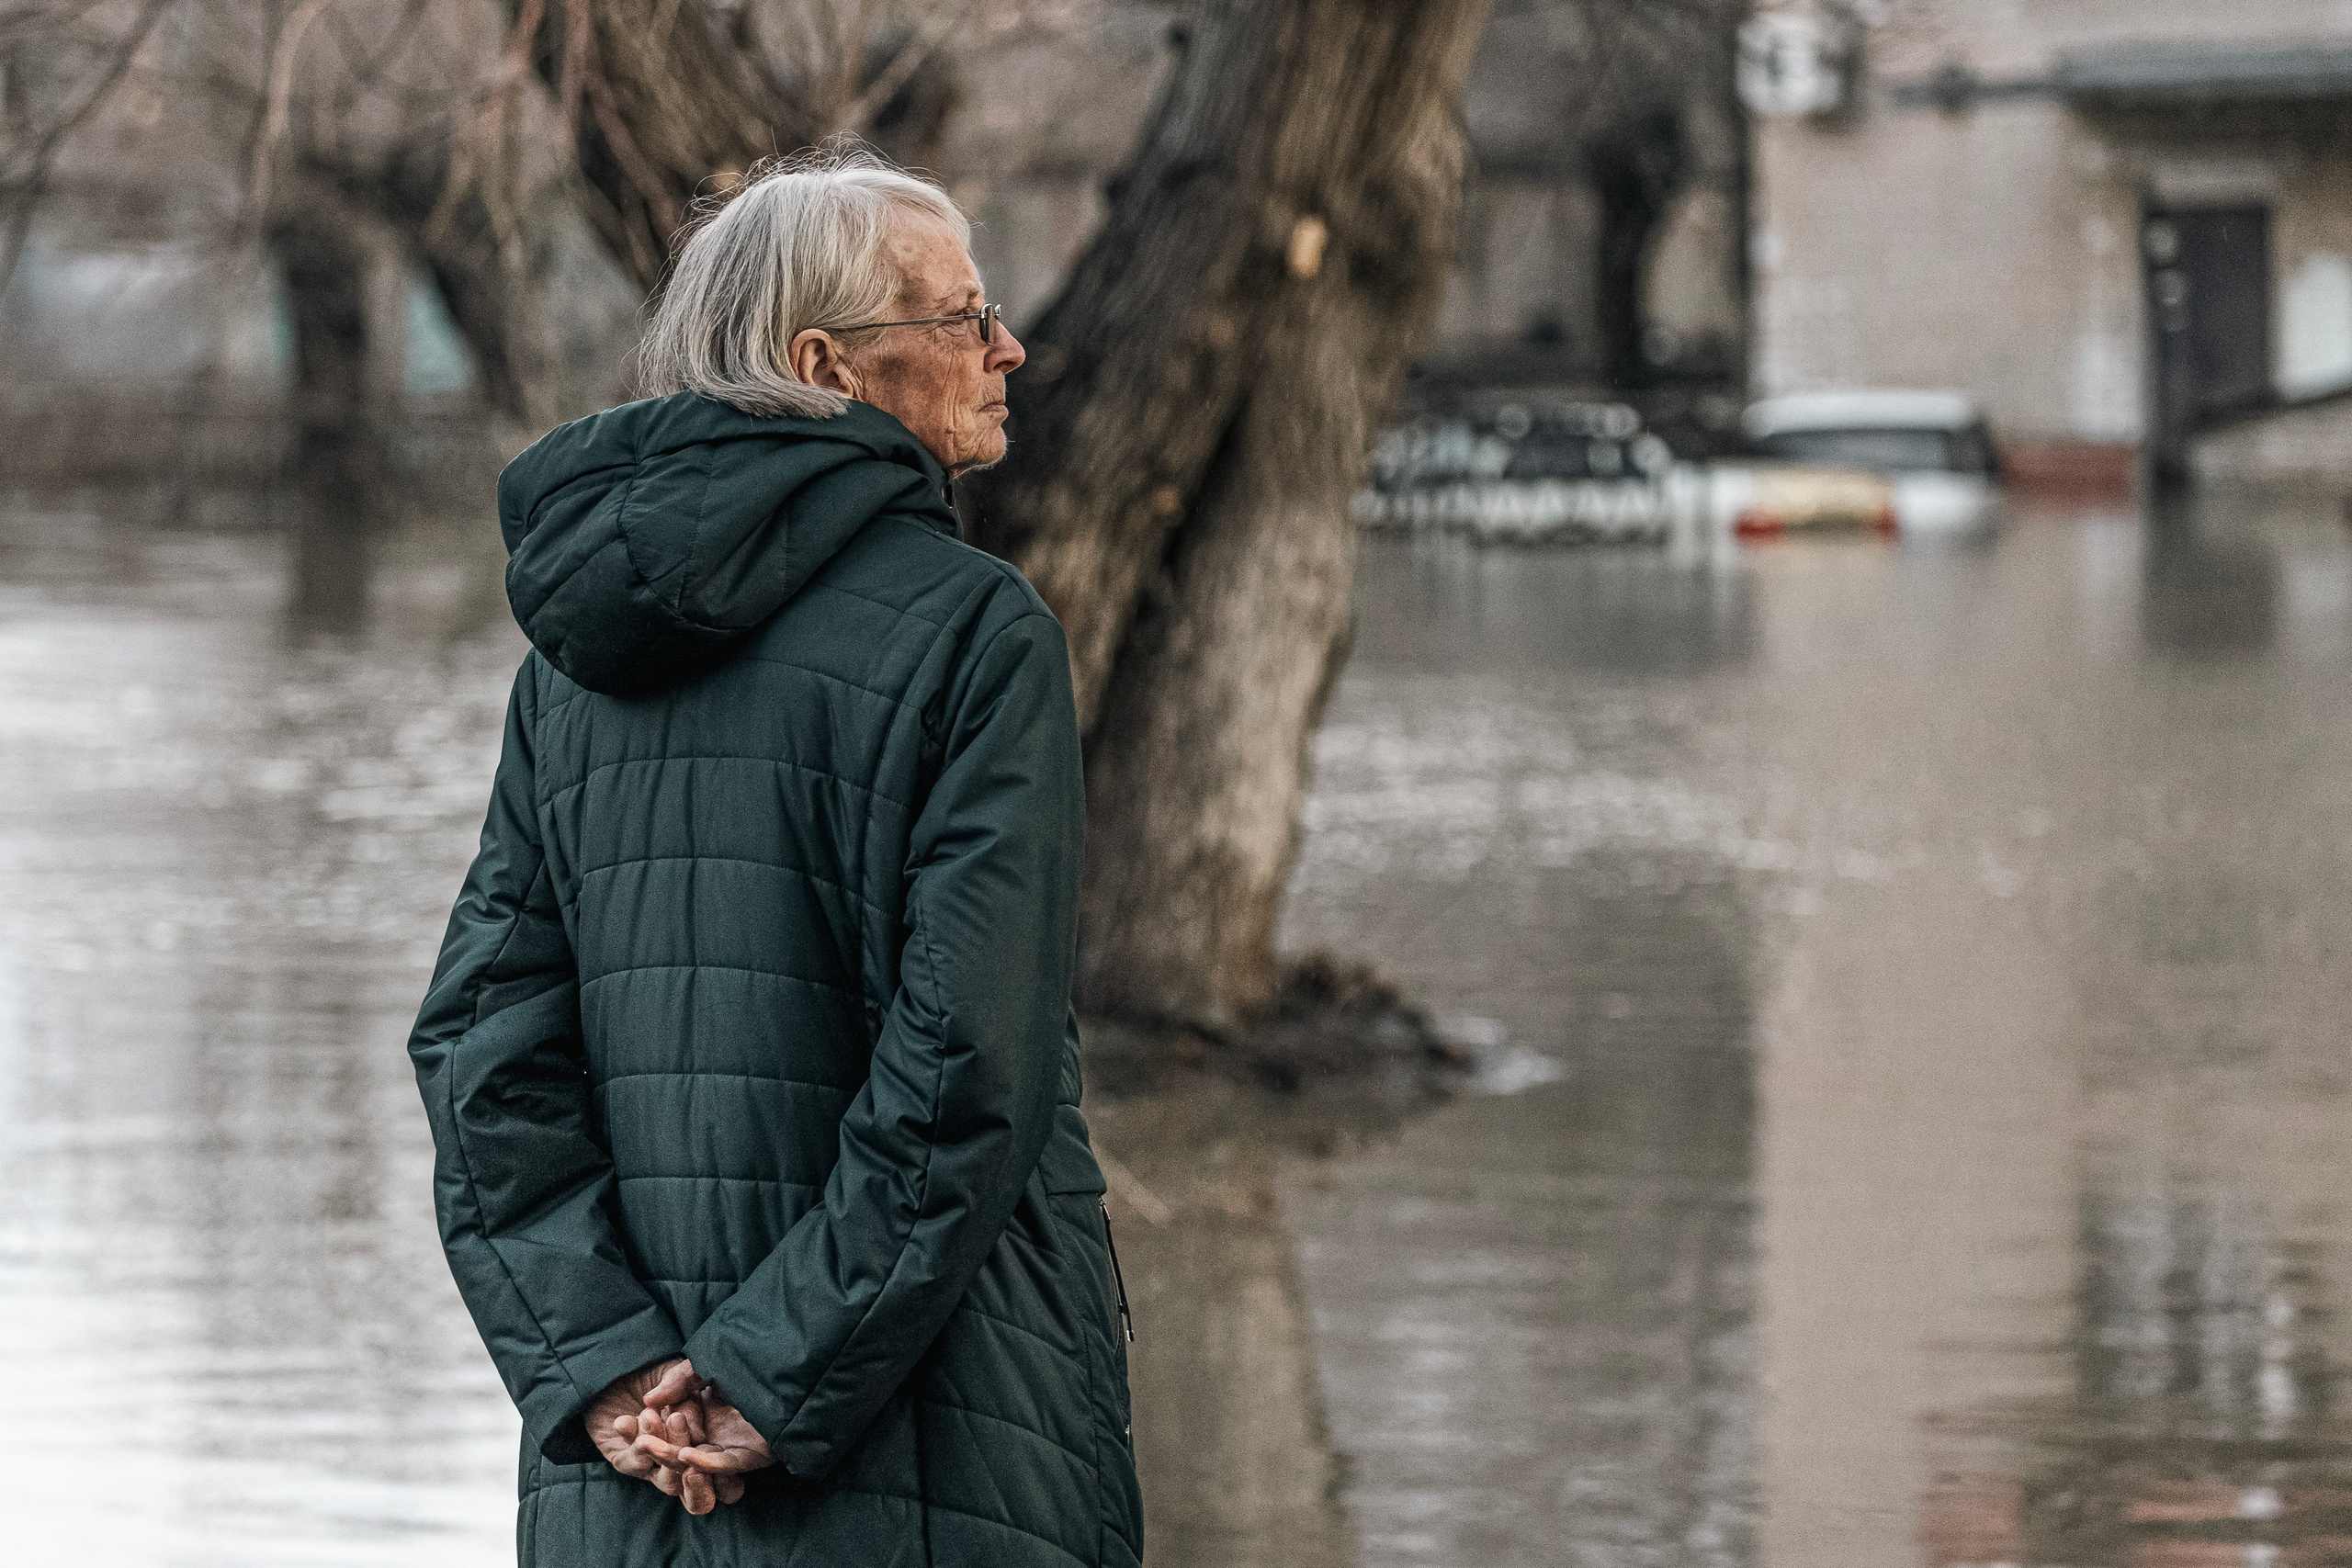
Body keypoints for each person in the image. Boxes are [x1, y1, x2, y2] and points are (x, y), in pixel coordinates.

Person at [408, 144, 1143, 1568]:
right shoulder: (978, 634)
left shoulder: (573, 659)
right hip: (932, 1432)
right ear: (827, 361)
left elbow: (479, 1051)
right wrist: (764, 1377)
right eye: (962, 316)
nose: (1010, 345)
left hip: (631, 1474)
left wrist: (607, 1371)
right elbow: (963, 1072)